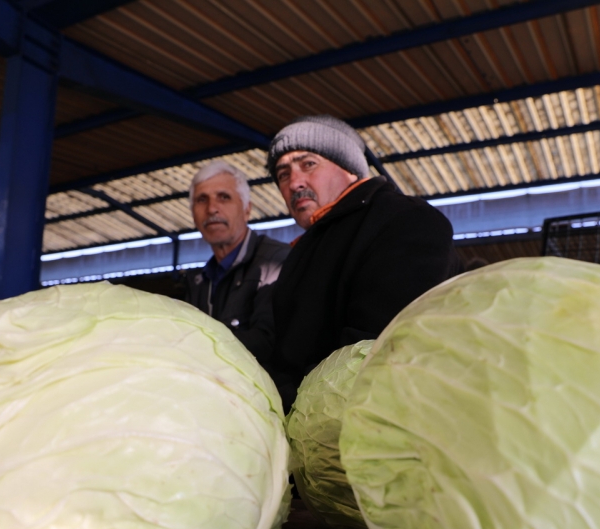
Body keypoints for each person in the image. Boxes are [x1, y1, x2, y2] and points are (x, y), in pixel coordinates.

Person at [267, 115, 453, 411]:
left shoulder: (404, 220)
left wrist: (285, 403)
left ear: (350, 169)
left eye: (308, 164)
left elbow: (377, 348)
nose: (295, 182)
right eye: (283, 174)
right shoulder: (305, 248)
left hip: (361, 421)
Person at [185, 161, 289, 363]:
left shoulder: (276, 262)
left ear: (246, 209)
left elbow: (269, 343)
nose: (212, 208)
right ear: (193, 215)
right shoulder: (197, 281)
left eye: (224, 197)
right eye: (201, 199)